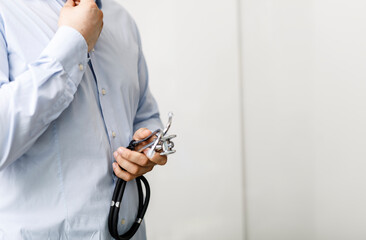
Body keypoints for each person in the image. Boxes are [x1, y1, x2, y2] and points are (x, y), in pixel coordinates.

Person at [0, 0, 167, 239]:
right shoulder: (5, 12)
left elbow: (145, 114)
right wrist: (73, 42)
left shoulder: (122, 20)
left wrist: (147, 148)